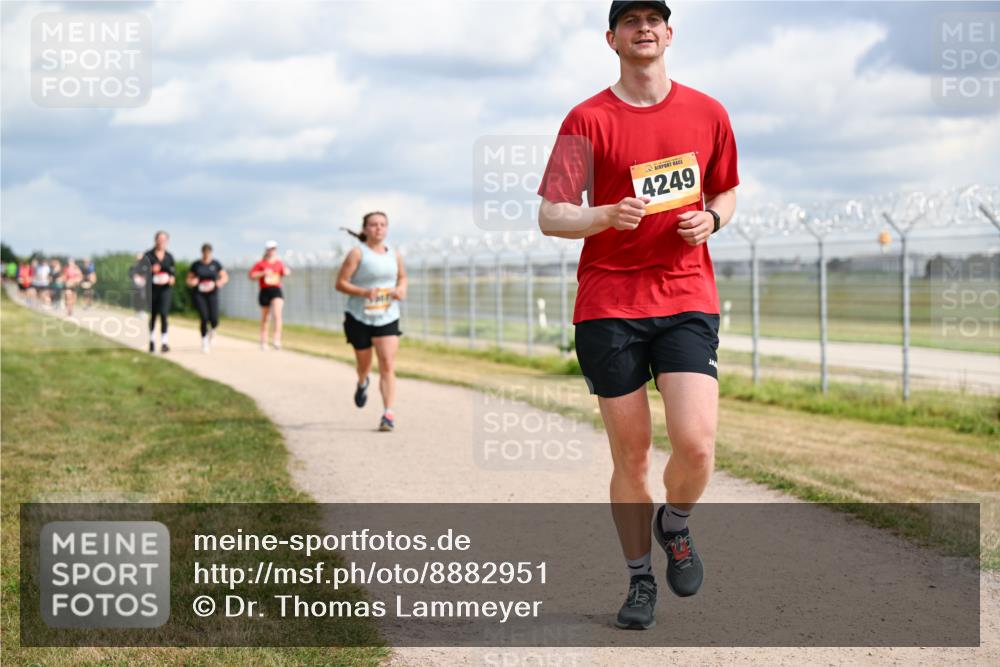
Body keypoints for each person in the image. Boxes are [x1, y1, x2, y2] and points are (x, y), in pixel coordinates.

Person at [537, 1, 739, 630]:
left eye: (654, 19)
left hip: (685, 295)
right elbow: (551, 214)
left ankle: (674, 526)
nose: (644, 28)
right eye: (631, 21)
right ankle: (639, 579)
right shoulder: (587, 118)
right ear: (612, 38)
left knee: (697, 445)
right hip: (609, 303)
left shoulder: (707, 112)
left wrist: (712, 218)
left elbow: (726, 189)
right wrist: (602, 215)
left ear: (669, 34)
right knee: (631, 457)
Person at [335, 211, 407, 432]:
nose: (379, 228)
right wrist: (365, 292)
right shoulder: (357, 254)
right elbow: (340, 283)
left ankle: (388, 414)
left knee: (387, 363)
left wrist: (401, 289)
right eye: (374, 225)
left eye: (383, 224)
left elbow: (402, 277)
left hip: (387, 316)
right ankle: (362, 381)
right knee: (364, 364)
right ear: (365, 229)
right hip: (359, 317)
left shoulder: (393, 254)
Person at [186, 243, 228, 353]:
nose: (206, 254)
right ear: (202, 252)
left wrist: (220, 282)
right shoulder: (196, 265)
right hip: (200, 294)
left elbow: (224, 276)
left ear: (211, 253)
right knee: (204, 317)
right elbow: (189, 279)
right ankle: (204, 341)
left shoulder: (216, 264)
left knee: (214, 319)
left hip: (212, 293)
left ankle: (212, 329)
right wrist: (192, 282)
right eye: (205, 252)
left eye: (208, 252)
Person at [248, 241, 289, 350]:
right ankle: (264, 340)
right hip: (265, 290)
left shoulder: (279, 263)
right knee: (266, 317)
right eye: (270, 249)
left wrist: (285, 272)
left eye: (273, 249)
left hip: (276, 290)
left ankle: (276, 339)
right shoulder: (260, 263)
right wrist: (263, 273)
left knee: (277, 314)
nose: (271, 251)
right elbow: (251, 275)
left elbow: (284, 271)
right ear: (266, 250)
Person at [142, 231, 177, 353]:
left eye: (164, 240)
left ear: (167, 241)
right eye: (159, 239)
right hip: (152, 289)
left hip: (165, 290)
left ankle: (164, 342)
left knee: (164, 314)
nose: (161, 242)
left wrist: (172, 278)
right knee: (154, 315)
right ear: (155, 240)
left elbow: (173, 272)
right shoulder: (148, 255)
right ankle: (151, 340)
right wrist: (150, 270)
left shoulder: (169, 257)